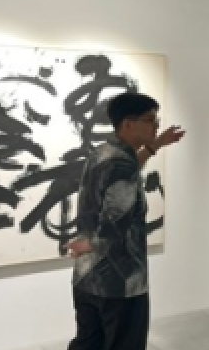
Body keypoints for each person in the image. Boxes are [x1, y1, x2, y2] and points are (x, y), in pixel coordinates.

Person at [65, 92, 185, 350]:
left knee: (87, 344)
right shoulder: (122, 164)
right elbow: (115, 223)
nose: (156, 125)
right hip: (119, 284)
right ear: (128, 124)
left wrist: (154, 146)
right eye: (150, 120)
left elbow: (124, 172)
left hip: (87, 278)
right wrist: (91, 243)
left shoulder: (103, 153)